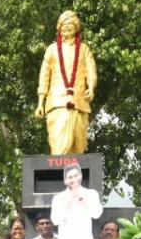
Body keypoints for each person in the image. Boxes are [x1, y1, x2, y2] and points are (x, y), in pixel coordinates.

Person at [35, 9, 98, 155]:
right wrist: (40, 103)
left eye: (70, 23)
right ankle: (58, 173)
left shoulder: (84, 49)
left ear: (76, 27)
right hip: (57, 103)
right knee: (58, 145)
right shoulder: (51, 50)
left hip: (79, 102)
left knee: (79, 143)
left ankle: (75, 175)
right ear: (59, 27)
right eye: (64, 24)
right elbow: (44, 77)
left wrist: (91, 88)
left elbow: (91, 71)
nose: (67, 26)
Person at [51, 164, 102, 239]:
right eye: (70, 177)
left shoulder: (91, 194)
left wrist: (81, 197)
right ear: (65, 180)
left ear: (81, 176)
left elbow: (96, 214)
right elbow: (55, 220)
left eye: (76, 176)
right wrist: (70, 199)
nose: (73, 180)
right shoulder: (58, 198)